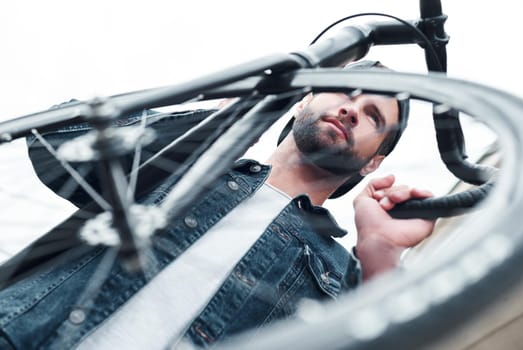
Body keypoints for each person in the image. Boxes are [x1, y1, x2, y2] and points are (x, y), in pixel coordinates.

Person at [0, 61, 434, 349]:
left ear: (372, 163)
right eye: (342, 92)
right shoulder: (183, 167)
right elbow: (58, 138)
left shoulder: (339, 272)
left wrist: (379, 251)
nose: (351, 110)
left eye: (373, 115)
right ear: (302, 99)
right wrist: (214, 121)